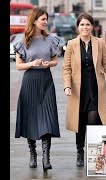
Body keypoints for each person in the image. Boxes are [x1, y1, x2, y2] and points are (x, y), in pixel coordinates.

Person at [62, 12, 106, 167]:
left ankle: (95, 153)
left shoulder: (99, 43)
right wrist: (67, 86)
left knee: (94, 119)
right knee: (80, 121)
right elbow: (66, 68)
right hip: (78, 88)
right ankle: (80, 152)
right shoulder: (71, 44)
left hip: (95, 87)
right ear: (78, 27)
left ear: (92, 26)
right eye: (82, 24)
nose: (85, 27)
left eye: (88, 24)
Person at [14, 7, 61, 172]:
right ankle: (33, 153)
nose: (45, 22)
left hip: (46, 81)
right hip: (30, 82)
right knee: (30, 118)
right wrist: (32, 64)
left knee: (48, 118)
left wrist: (49, 64)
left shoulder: (51, 39)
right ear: (34, 20)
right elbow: (19, 66)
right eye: (43, 19)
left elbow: (55, 61)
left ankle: (46, 158)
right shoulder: (22, 41)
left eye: (46, 19)